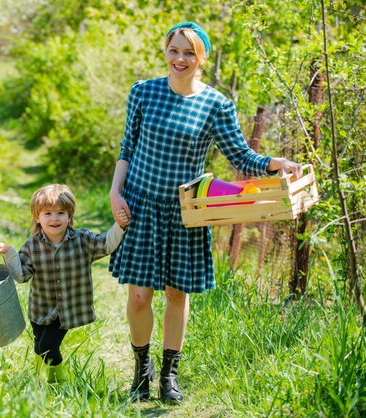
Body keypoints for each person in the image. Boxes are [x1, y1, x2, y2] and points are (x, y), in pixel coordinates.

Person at [108, 22, 303, 402]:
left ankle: (168, 375)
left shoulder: (215, 104)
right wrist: (116, 193)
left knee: (178, 295)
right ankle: (140, 372)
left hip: (187, 211)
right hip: (141, 207)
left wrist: (276, 162)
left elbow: (240, 155)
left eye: (189, 53)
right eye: (174, 50)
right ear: (165, 52)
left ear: (202, 58)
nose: (180, 59)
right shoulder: (143, 93)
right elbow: (127, 147)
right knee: (139, 297)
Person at [0, 184, 128, 383]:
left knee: (48, 347)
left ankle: (58, 383)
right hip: (40, 308)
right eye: (48, 213)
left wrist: (119, 225)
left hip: (66, 310)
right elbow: (22, 276)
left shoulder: (82, 240)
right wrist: (9, 253)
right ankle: (39, 379)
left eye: (61, 213)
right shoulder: (32, 246)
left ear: (70, 216)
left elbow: (107, 244)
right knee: (39, 345)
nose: (54, 218)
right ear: (37, 217)